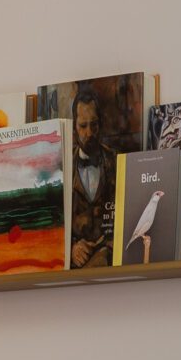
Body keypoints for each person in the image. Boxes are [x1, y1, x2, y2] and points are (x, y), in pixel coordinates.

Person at [69, 93, 115, 268]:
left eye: (94, 125)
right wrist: (72, 247)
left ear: (101, 125)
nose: (89, 133)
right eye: (82, 126)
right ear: (74, 128)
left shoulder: (117, 161)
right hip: (74, 261)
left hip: (109, 254)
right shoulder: (62, 167)